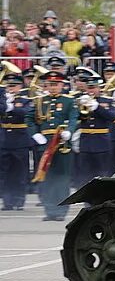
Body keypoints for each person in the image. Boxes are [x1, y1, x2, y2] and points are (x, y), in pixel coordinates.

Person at [27, 70, 78, 221]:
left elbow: (73, 118)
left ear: (62, 85)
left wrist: (69, 131)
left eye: (56, 84)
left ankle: (61, 211)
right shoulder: (39, 101)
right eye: (50, 84)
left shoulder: (69, 101)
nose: (53, 87)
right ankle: (50, 210)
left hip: (62, 144)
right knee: (48, 178)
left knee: (62, 178)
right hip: (45, 143)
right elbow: (29, 118)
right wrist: (35, 134)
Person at [74, 72, 115, 186]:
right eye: (89, 88)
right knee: (85, 174)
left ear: (99, 88)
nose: (91, 91)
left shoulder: (107, 101)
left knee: (103, 173)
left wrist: (97, 107)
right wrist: (81, 107)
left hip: (102, 142)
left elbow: (112, 117)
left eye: (93, 88)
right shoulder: (80, 100)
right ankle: (87, 202)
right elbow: (76, 118)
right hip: (86, 142)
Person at [1, 73, 34, 210]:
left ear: (20, 86)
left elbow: (26, 112)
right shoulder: (2, 100)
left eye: (14, 86)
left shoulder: (26, 99)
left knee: (20, 173)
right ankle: (7, 201)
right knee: (4, 173)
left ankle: (19, 200)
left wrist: (12, 107)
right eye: (9, 86)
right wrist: (4, 103)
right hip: (3, 140)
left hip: (20, 140)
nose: (11, 88)